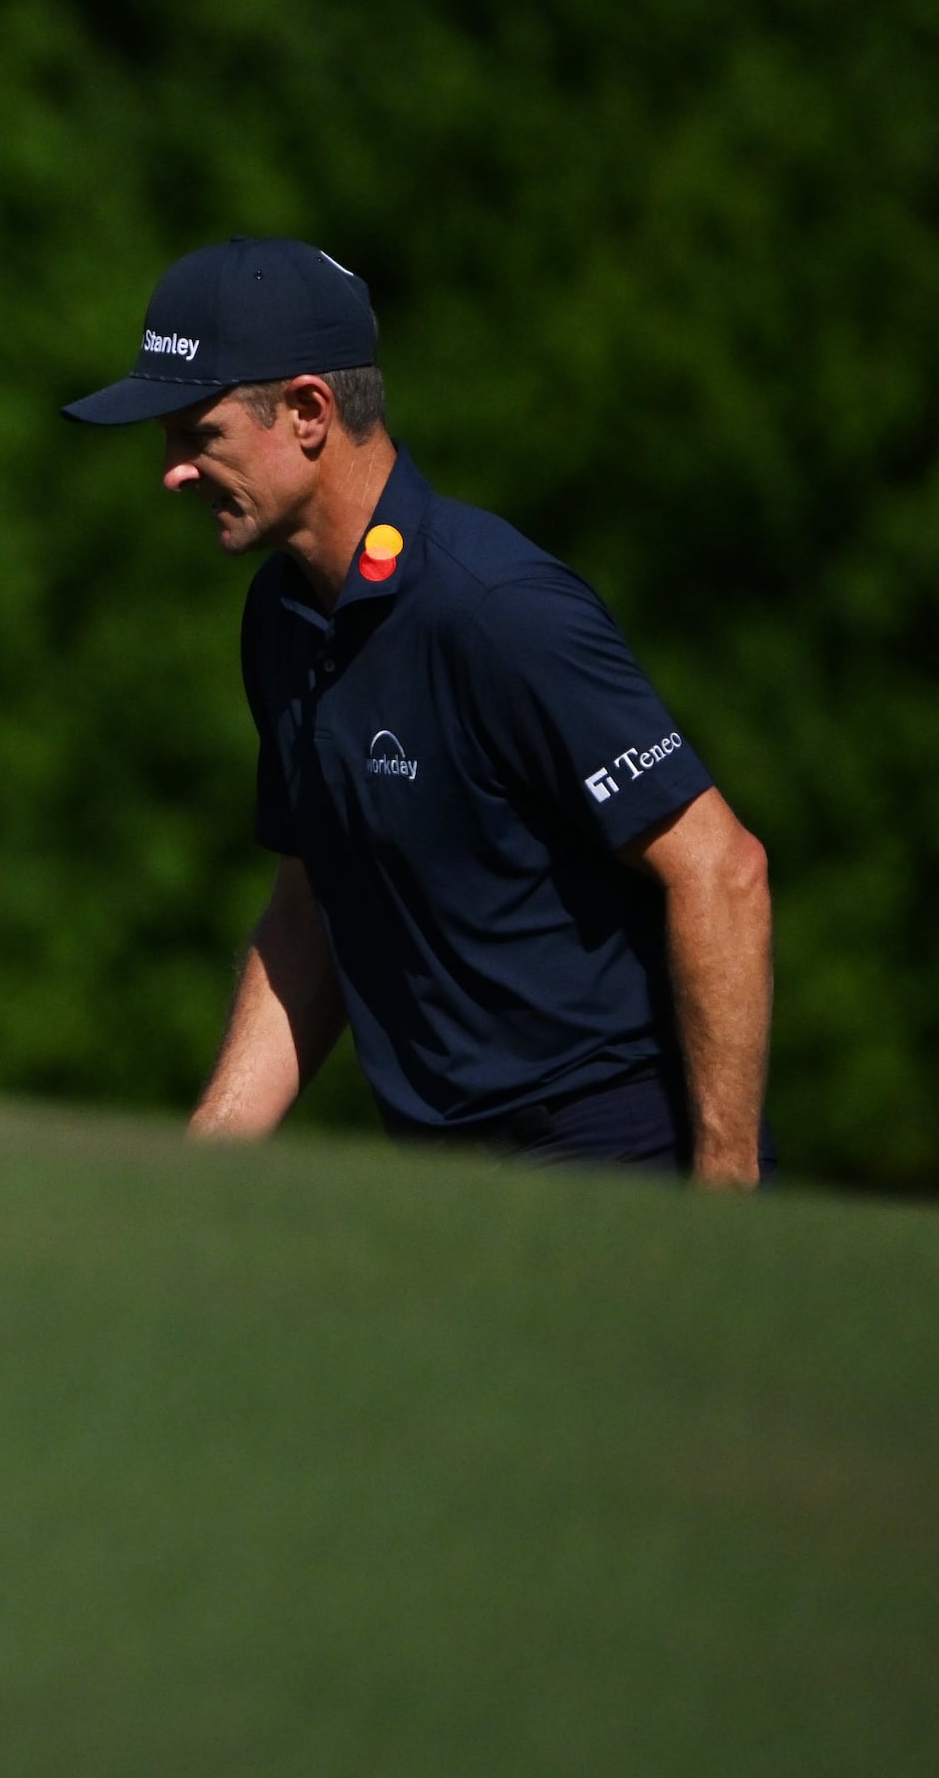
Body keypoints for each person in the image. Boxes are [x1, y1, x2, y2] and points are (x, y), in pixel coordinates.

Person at [62, 238, 775, 1187]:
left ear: (309, 412)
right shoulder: (280, 617)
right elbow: (308, 906)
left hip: (617, 1150)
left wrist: (725, 1198)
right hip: (447, 1176)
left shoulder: (496, 607)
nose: (173, 470)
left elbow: (723, 871)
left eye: (199, 432)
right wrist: (202, 1169)